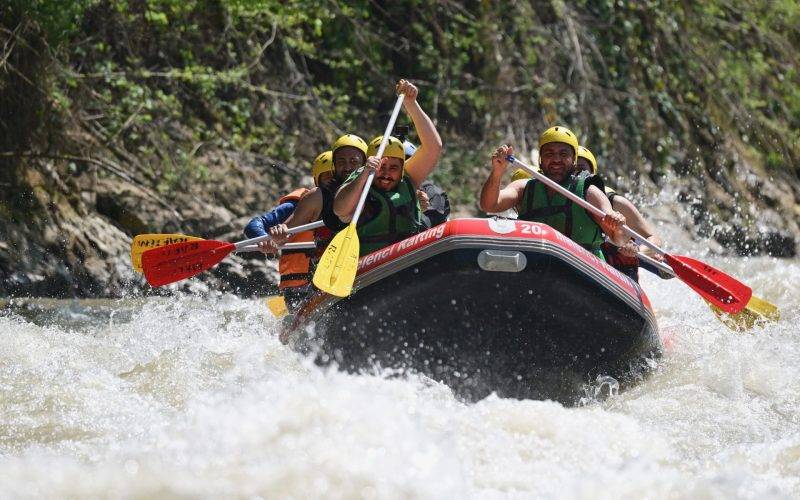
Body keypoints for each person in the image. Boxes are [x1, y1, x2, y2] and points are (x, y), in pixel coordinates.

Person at [479, 126, 628, 260]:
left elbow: (618, 238)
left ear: (574, 160)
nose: (556, 159)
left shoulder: (589, 192)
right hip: (538, 265)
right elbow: (489, 205)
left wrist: (617, 224)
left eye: (563, 154)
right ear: (540, 160)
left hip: (583, 269)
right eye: (549, 154)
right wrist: (497, 171)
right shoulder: (524, 188)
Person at [333, 79, 443, 254]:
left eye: (393, 168)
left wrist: (411, 104)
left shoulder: (407, 178)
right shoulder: (362, 180)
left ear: (401, 168)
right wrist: (365, 174)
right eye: (381, 166)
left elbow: (433, 147)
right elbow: (340, 209)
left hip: (406, 257)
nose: (386, 174)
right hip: (370, 261)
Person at [243, 151, 335, 309]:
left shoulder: (356, 205)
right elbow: (254, 224)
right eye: (327, 177)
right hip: (301, 290)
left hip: (335, 279)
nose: (332, 182)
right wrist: (264, 238)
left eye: (335, 176)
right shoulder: (297, 206)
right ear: (316, 180)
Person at [575, 145, 664, 281]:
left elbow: (653, 239)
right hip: (578, 265)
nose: (577, 175)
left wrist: (640, 252)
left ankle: (660, 268)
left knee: (618, 243)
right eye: (572, 170)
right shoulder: (553, 194)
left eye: (581, 169)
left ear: (592, 174)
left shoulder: (616, 203)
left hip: (619, 272)